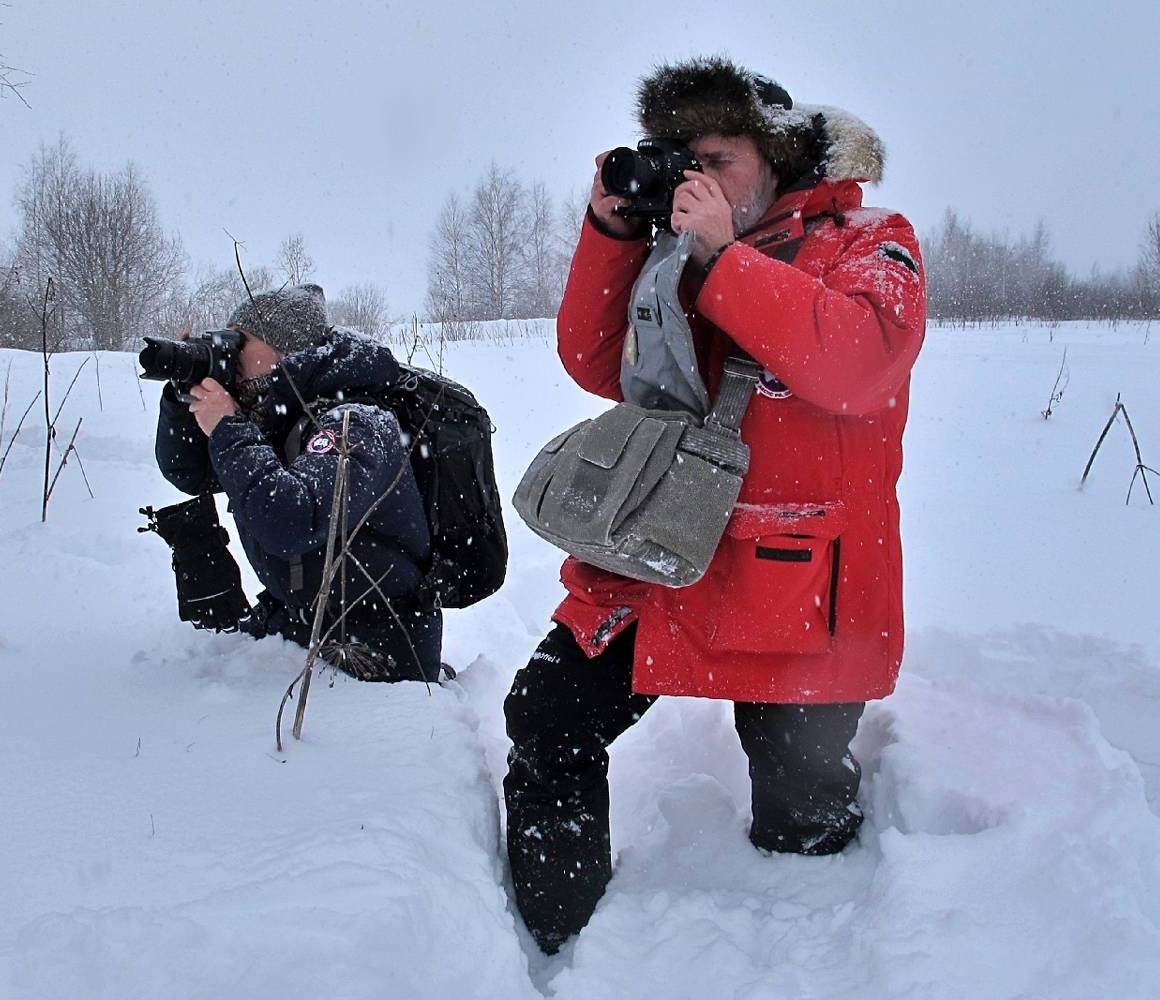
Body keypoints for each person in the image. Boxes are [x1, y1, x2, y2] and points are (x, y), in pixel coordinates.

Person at [503, 56, 928, 953]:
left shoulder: (871, 240)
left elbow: (856, 364)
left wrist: (726, 260)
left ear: (776, 158)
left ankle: (809, 950)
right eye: (683, 160)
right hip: (662, 550)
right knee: (546, 714)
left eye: (719, 159)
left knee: (798, 796)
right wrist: (614, 232)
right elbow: (594, 360)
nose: (696, 178)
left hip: (796, 582)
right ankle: (556, 943)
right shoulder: (672, 248)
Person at [154, 285, 442, 682]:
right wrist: (182, 398)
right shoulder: (276, 413)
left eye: (242, 341)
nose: (231, 352)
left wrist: (227, 427)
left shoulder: (357, 422)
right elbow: (190, 472)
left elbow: (292, 520)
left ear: (286, 350)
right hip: (298, 620)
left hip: (374, 642)